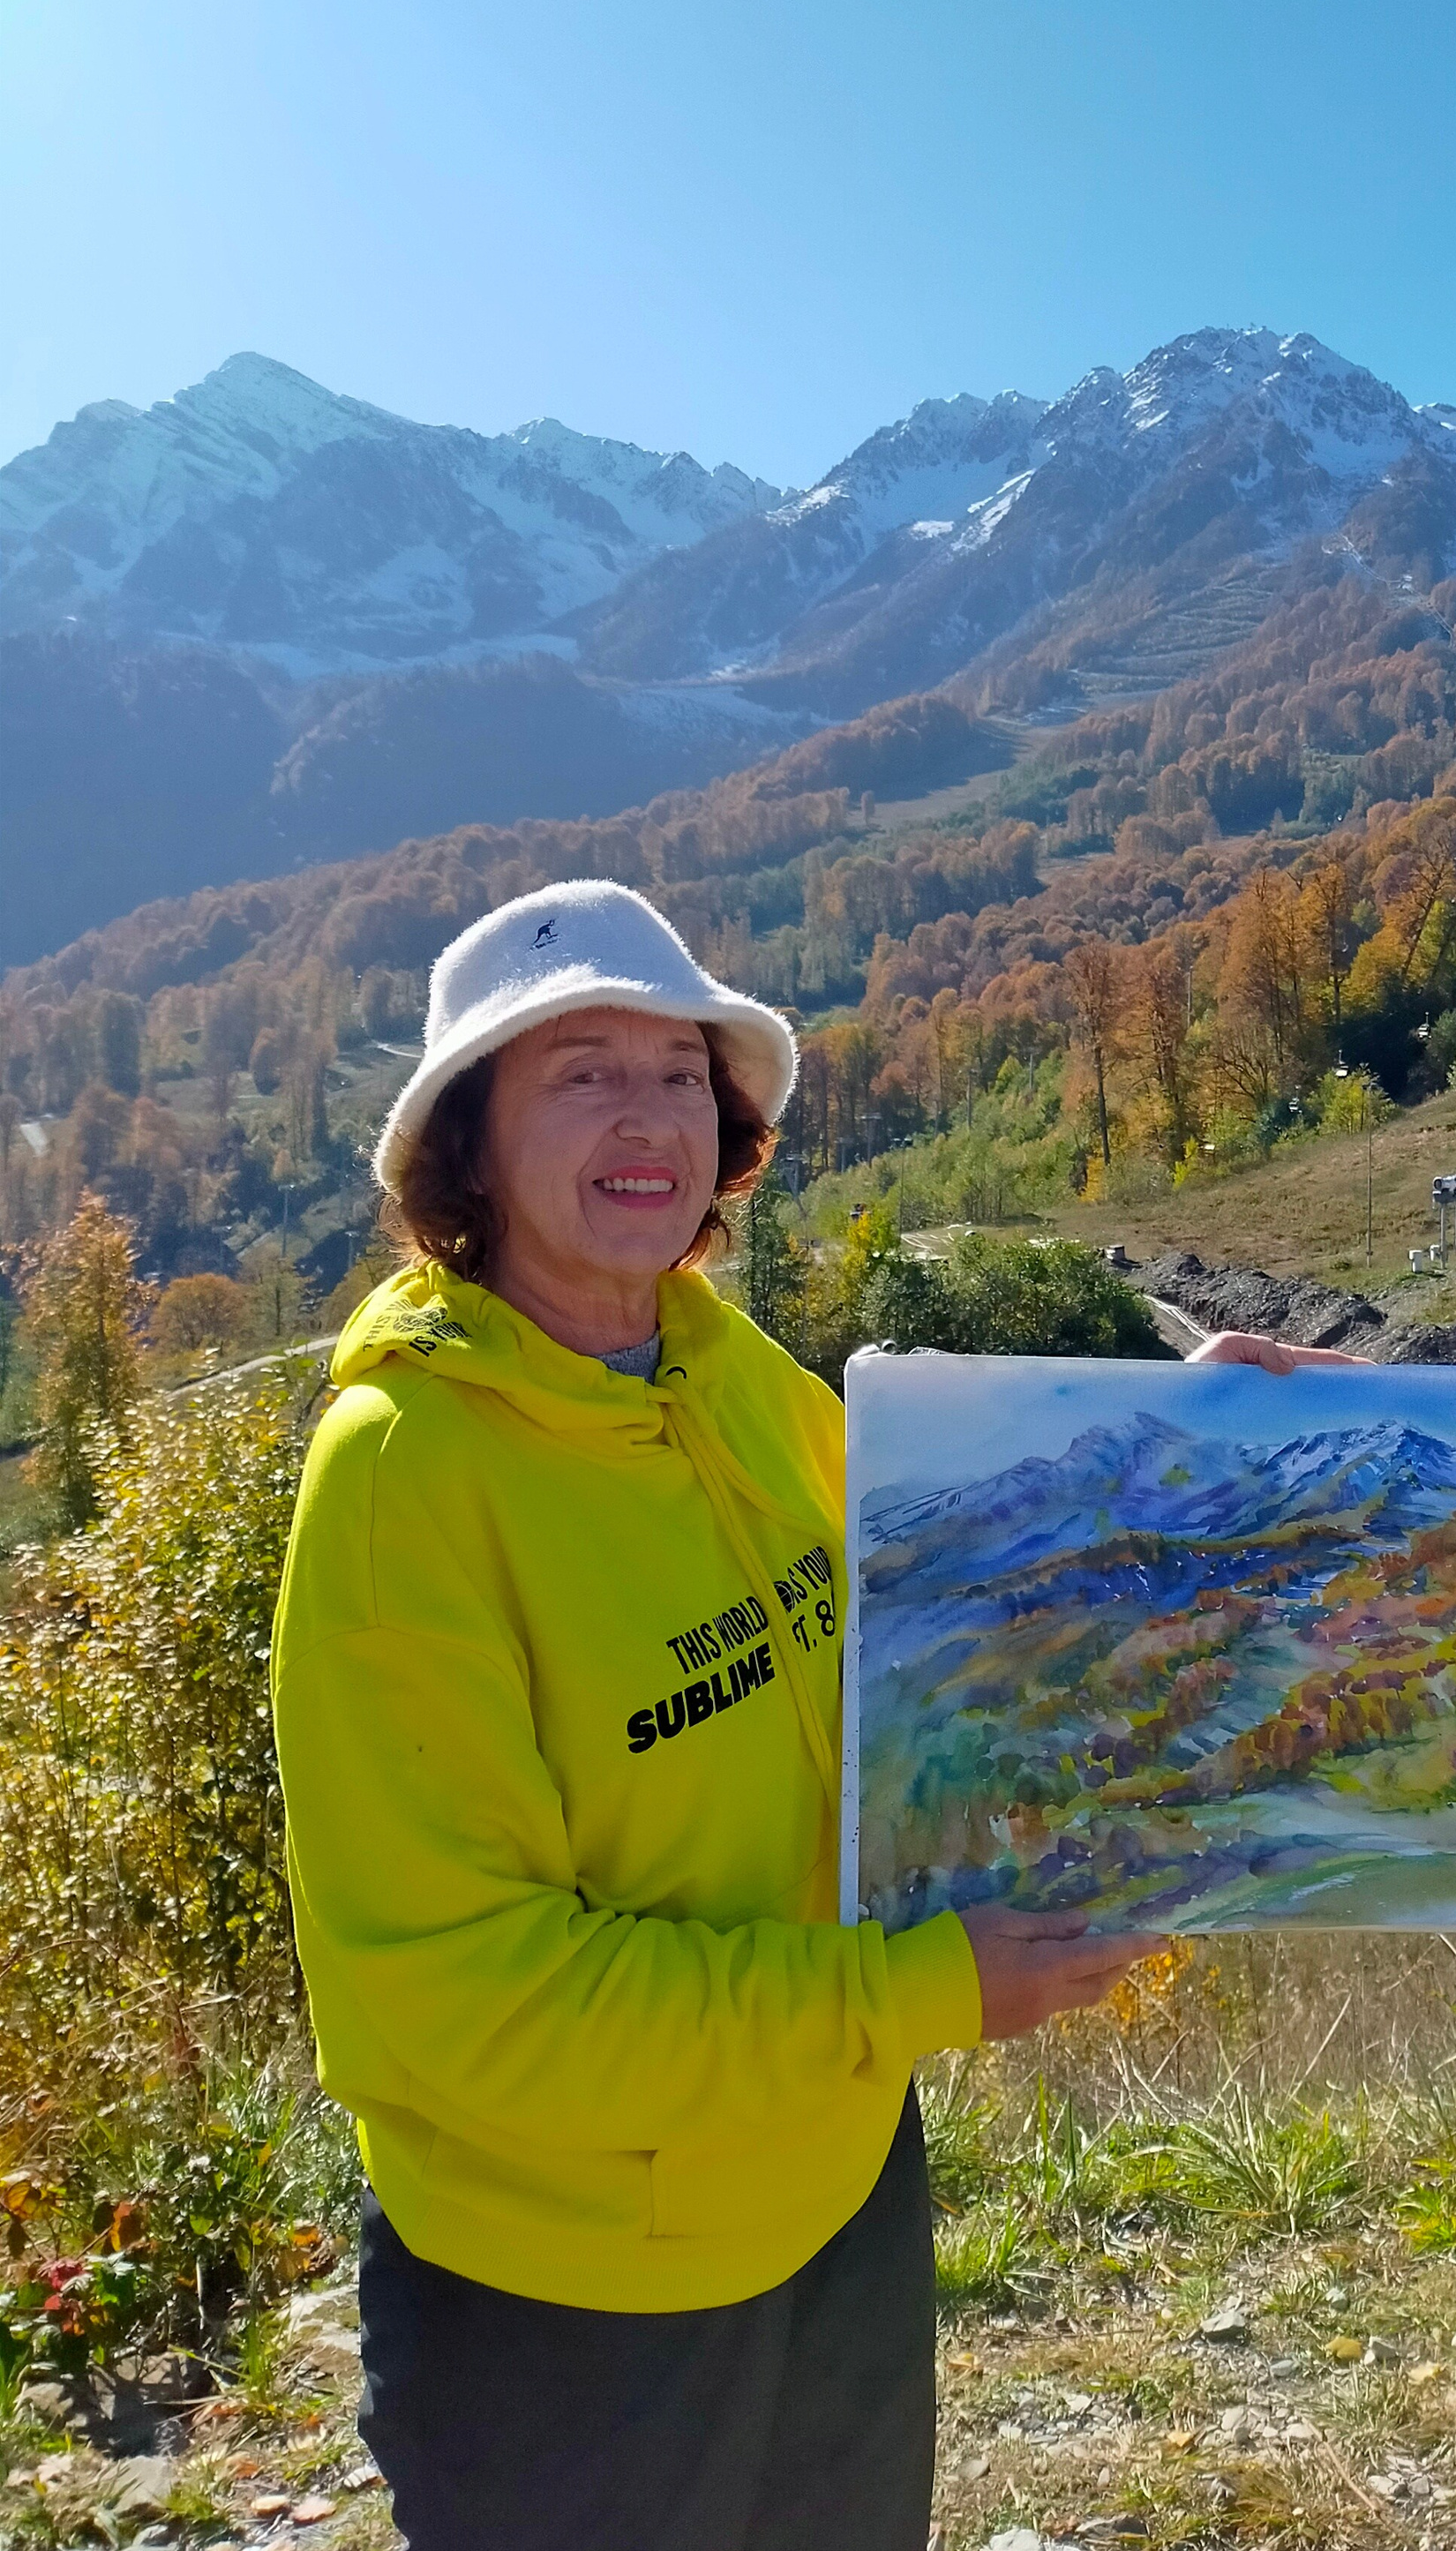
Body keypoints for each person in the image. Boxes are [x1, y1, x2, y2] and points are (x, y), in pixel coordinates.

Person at [271, 879, 1331, 2550]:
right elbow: (465, 2004)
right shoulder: (410, 1476)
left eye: (681, 1072)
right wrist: (918, 1985)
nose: (648, 1115)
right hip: (576, 2303)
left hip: (831, 2189)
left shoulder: (721, 1364)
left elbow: (948, 1605)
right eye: (579, 1071)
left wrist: (1172, 1446)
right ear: (464, 1150)